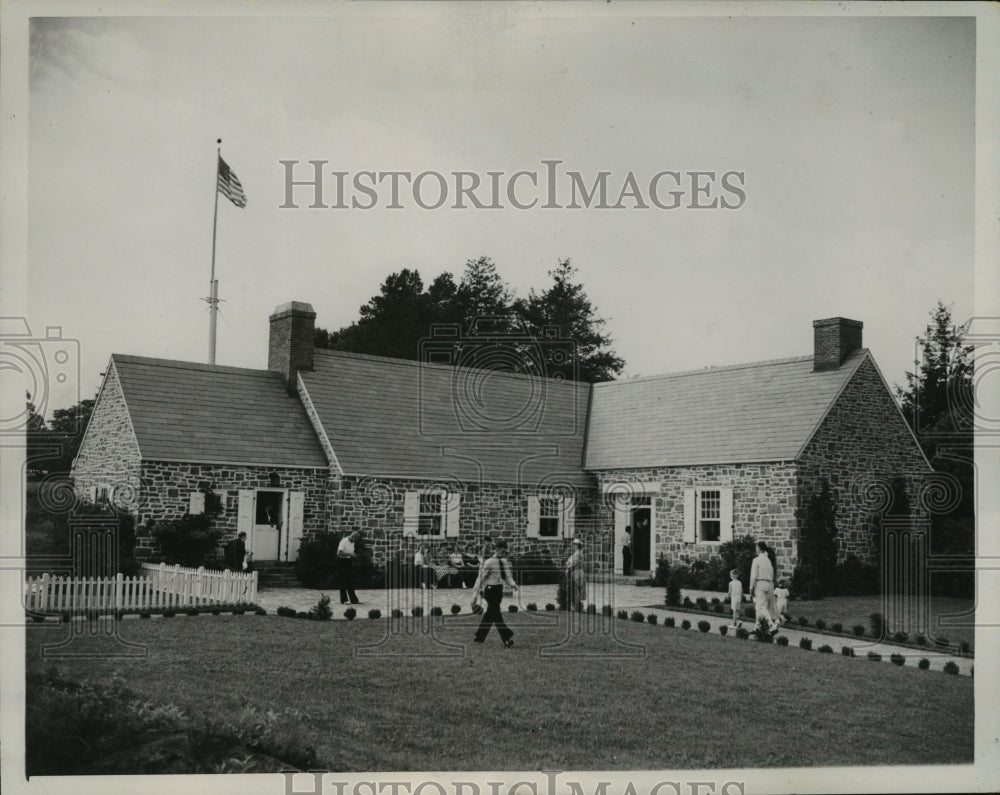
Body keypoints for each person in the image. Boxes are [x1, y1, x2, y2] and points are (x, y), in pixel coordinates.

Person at [471, 538, 518, 647]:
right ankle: (506, 637)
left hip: (498, 590)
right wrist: (474, 596)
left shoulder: (504, 562)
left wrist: (513, 584)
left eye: (505, 551)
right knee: (496, 614)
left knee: (491, 613)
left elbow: (507, 576)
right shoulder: (489, 562)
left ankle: (479, 637)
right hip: (489, 590)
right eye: (502, 551)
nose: (504, 553)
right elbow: (480, 579)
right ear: (496, 549)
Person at [749, 541, 777, 634]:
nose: (755, 549)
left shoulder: (756, 560)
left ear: (759, 548)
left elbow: (753, 575)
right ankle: (757, 627)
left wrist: (751, 588)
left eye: (756, 547)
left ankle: (772, 626)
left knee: (761, 607)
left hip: (760, 584)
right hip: (769, 584)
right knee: (760, 606)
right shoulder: (768, 560)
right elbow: (772, 573)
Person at [336, 530, 362, 605]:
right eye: (356, 539)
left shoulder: (352, 542)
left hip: (348, 562)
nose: (356, 541)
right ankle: (344, 600)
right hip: (342, 562)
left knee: (350, 581)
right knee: (343, 581)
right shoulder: (344, 541)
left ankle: (354, 600)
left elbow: (351, 553)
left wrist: (353, 555)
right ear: (352, 536)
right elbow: (338, 553)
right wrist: (350, 554)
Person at [564, 537, 587, 612]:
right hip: (577, 572)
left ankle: (576, 606)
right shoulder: (578, 553)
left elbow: (574, 563)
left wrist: (568, 567)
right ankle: (576, 605)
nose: (573, 546)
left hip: (577, 572)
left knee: (576, 589)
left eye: (574, 545)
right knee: (576, 589)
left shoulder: (577, 554)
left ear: (577, 545)